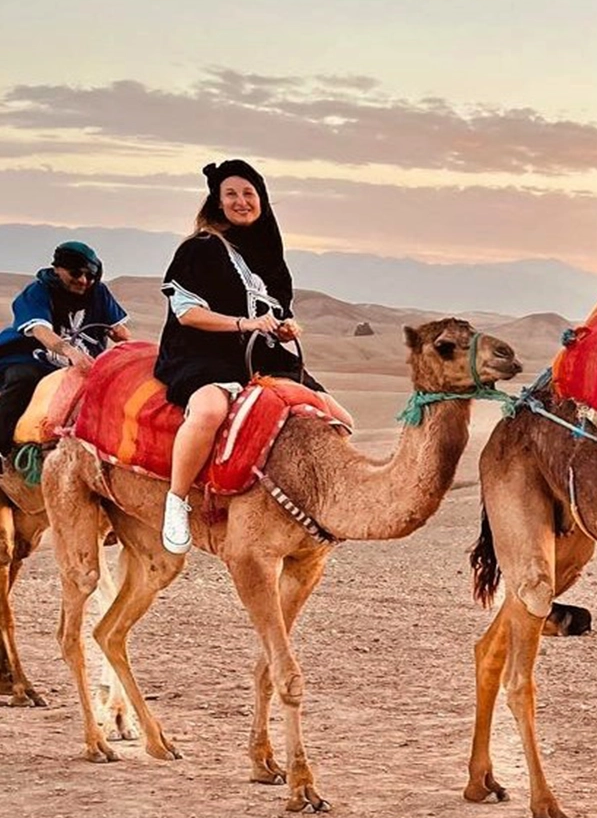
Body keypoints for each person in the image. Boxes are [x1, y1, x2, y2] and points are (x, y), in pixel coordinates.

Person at [155, 159, 353, 554]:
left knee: (341, 420)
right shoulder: (200, 250)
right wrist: (243, 324)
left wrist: (284, 327)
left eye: (249, 193)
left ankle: (303, 500)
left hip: (261, 357)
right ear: (217, 201)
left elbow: (275, 312)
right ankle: (176, 501)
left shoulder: (270, 257)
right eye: (231, 194)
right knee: (209, 410)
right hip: (201, 352)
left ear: (262, 200)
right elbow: (187, 312)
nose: (241, 201)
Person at [0, 241, 130, 459]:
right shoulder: (38, 292)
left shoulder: (98, 292)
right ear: (58, 268)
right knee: (22, 378)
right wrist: (70, 352)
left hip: (84, 366)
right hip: (33, 360)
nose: (83, 280)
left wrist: (121, 335)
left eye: (90, 276)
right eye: (76, 273)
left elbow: (119, 329)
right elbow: (40, 330)